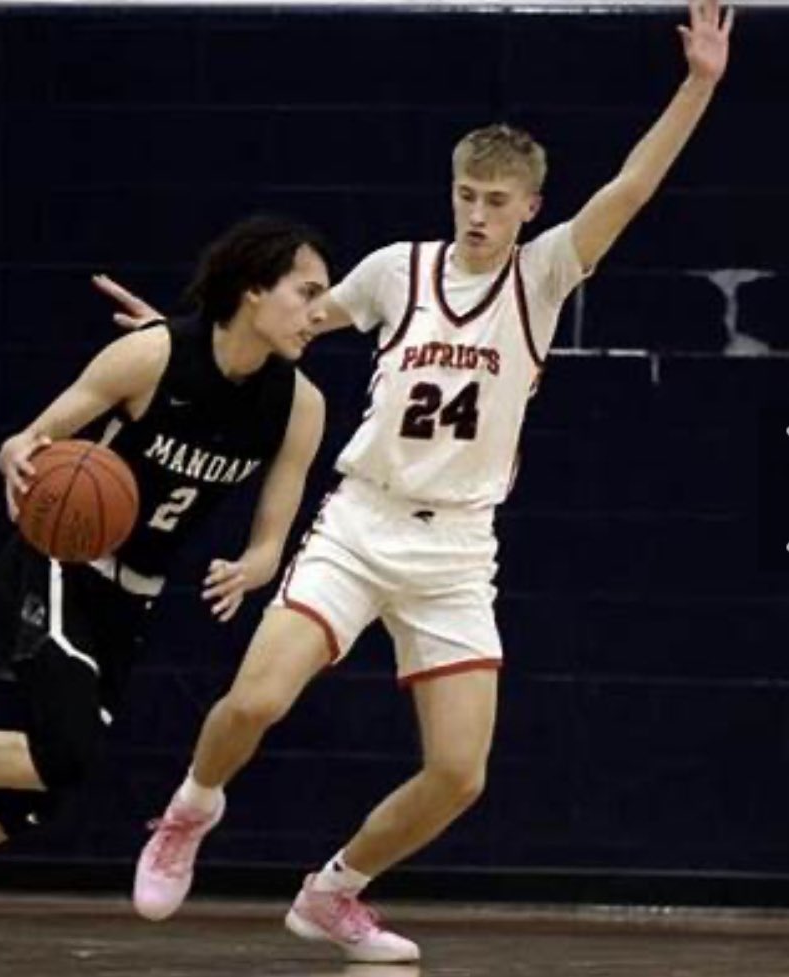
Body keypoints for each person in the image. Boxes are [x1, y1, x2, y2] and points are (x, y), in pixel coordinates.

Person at [107, 1, 733, 964]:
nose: (478, 214)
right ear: (451, 192)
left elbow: (634, 185)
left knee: (458, 772)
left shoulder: (546, 275)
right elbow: (282, 330)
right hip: (361, 521)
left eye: (497, 200)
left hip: (456, 549)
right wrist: (180, 344)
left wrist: (698, 83)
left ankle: (334, 891)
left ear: (530, 206)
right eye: (466, 194)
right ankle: (190, 809)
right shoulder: (396, 271)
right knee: (251, 703)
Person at [0, 215, 331, 968]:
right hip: (59, 562)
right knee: (68, 748)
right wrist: (18, 455)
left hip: (131, 597)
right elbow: (30, 439)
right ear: (252, 289)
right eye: (307, 292)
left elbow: (276, 523)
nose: (319, 310)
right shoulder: (153, 354)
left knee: (34, 794)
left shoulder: (299, 404)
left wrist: (259, 561)